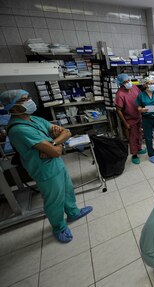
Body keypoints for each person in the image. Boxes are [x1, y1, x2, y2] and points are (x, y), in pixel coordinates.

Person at [0, 90, 93, 243]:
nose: (30, 101)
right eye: (24, 99)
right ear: (13, 107)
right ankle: (59, 227)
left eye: (28, 97)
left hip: (55, 164)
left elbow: (66, 133)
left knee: (67, 189)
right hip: (44, 169)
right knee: (54, 199)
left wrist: (55, 143)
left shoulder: (33, 119)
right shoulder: (19, 129)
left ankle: (73, 212)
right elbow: (56, 152)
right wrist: (56, 145)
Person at [114, 73, 146, 164]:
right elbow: (118, 110)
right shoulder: (120, 94)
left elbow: (140, 97)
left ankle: (139, 148)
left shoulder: (134, 87)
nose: (129, 82)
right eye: (126, 82)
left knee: (139, 133)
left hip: (138, 115)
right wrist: (125, 123)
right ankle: (134, 154)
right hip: (130, 119)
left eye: (129, 80)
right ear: (121, 83)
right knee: (133, 136)